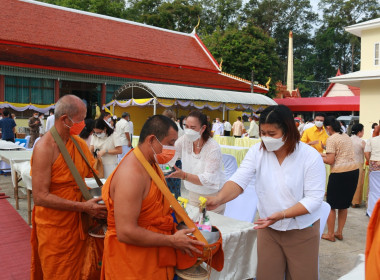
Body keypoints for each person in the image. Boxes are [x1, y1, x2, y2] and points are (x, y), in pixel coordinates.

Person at [207, 105, 325, 279]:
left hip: (300, 229)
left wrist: (283, 214)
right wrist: (219, 198)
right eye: (263, 133)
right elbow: (239, 180)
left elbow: (314, 199)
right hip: (268, 227)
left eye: (272, 134)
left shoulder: (309, 156)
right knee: (267, 274)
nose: (266, 138)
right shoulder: (257, 151)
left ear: (289, 131)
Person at [101, 115, 204, 279]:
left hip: (153, 255)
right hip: (132, 264)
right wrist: (171, 241)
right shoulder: (132, 174)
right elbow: (125, 231)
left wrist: (180, 225)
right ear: (151, 140)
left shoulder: (150, 165)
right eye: (170, 143)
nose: (173, 149)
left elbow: (156, 210)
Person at [30, 95, 107, 279]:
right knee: (59, 272)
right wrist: (83, 207)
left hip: (81, 221)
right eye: (81, 120)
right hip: (56, 226)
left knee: (83, 270)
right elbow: (40, 197)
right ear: (65, 119)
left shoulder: (77, 143)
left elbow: (91, 174)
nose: (84, 125)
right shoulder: (44, 147)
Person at [167, 111, 226, 214]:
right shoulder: (185, 140)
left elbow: (208, 179)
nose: (188, 131)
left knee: (209, 226)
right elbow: (170, 154)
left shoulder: (213, 147)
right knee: (193, 225)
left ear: (203, 128)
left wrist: (184, 175)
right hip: (193, 194)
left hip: (212, 197)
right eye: (186, 126)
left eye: (193, 128)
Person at [321, 116, 359, 242]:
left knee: (331, 205)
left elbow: (330, 160)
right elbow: (339, 153)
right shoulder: (345, 136)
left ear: (328, 127)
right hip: (353, 171)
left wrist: (317, 156)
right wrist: (324, 153)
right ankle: (339, 232)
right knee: (343, 205)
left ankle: (330, 234)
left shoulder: (331, 139)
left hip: (339, 173)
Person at [350, 124, 366, 208]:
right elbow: (367, 152)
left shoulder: (348, 140)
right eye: (363, 130)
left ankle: (348, 200)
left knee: (349, 183)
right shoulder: (361, 142)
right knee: (358, 183)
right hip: (358, 163)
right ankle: (355, 202)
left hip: (348, 164)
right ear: (359, 132)